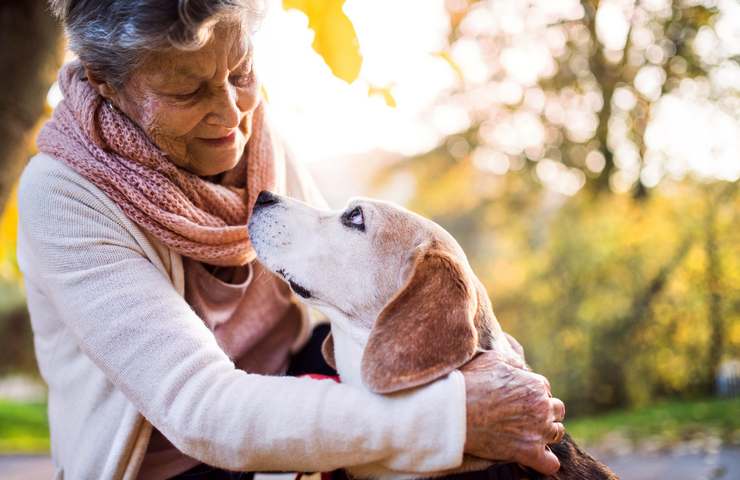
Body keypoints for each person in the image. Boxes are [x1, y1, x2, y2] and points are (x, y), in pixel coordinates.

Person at [16, 1, 565, 479]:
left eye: (240, 70)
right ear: (105, 82)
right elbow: (201, 410)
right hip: (182, 460)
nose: (232, 113)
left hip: (304, 376)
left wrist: (495, 368)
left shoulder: (251, 133)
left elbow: (343, 284)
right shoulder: (62, 196)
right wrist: (453, 417)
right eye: (187, 90)